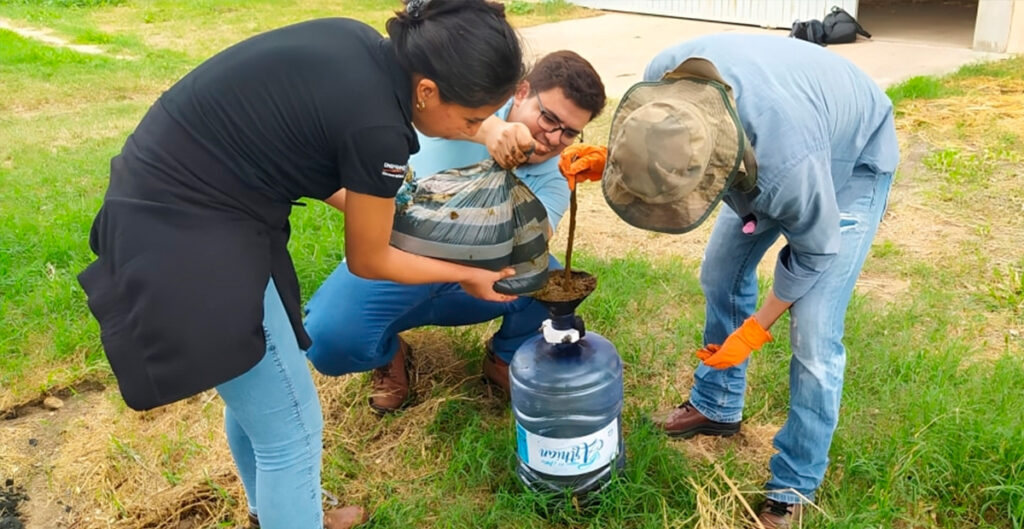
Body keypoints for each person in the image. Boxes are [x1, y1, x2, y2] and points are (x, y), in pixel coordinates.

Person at [76, 2, 528, 528]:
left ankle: (277, 511)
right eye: (473, 119)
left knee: (262, 391)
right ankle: (291, 511)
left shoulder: (358, 46)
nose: (475, 129)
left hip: (173, 202)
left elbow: (305, 158)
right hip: (184, 237)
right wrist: (465, 273)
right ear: (426, 91)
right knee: (292, 429)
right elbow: (368, 259)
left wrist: (392, 206)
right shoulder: (378, 128)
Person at [601, 34, 899, 527]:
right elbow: (648, 145)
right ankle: (717, 406)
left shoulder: (787, 171)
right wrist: (613, 167)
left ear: (719, 163)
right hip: (778, 132)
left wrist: (754, 329)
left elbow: (815, 250)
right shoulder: (662, 78)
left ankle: (793, 485)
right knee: (720, 273)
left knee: (814, 333)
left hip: (852, 158)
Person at [304, 51, 607, 413]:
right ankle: (389, 353)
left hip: (478, 277)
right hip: (393, 264)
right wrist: (488, 132)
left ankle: (504, 357)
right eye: (549, 118)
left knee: (546, 278)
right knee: (328, 340)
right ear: (522, 92)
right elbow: (432, 110)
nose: (554, 137)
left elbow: (532, 240)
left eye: (570, 132)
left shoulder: (555, 173)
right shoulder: (468, 104)